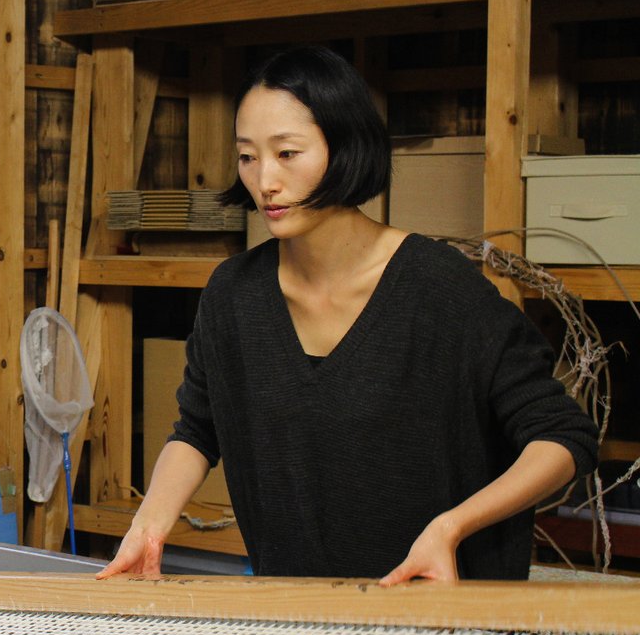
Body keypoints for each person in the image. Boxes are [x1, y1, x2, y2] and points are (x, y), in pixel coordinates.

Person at [97, 45, 599, 584]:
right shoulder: (232, 295)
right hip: (299, 617)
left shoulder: (439, 288)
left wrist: (451, 528)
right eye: (248, 156)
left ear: (345, 146)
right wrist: (149, 524)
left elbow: (562, 438)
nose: (265, 179)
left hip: (440, 619)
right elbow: (197, 431)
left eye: (287, 153)